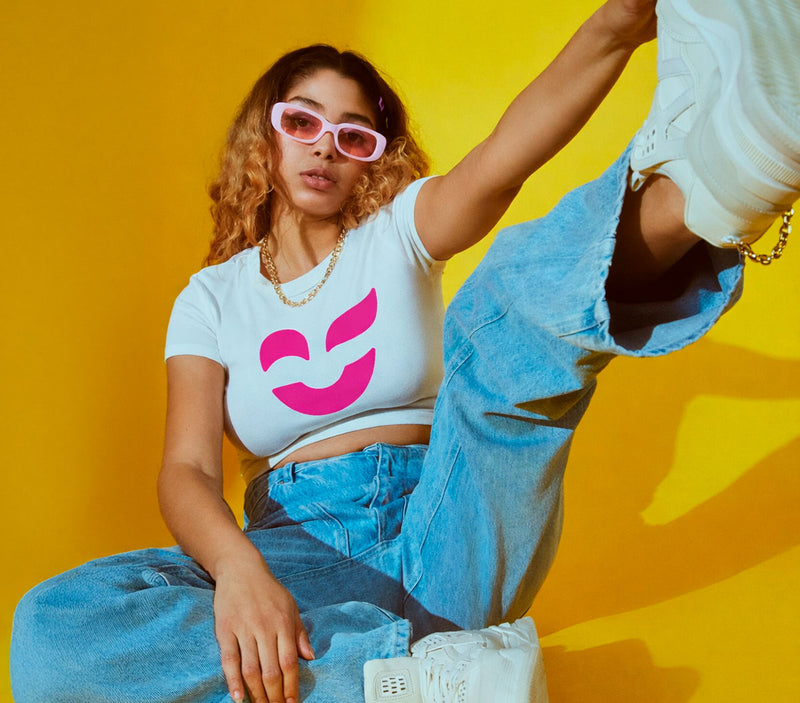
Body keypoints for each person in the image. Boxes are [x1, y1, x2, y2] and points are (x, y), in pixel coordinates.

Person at [10, 0, 799, 701]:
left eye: (351, 135)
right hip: (293, 558)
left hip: (448, 524)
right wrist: (240, 573)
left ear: (370, 160)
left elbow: (504, 157)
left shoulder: (396, 237)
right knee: (51, 631)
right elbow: (186, 469)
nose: (324, 147)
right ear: (266, 135)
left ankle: (724, 174)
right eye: (302, 121)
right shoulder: (211, 297)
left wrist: (618, 24)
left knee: (495, 320)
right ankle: (416, 676)